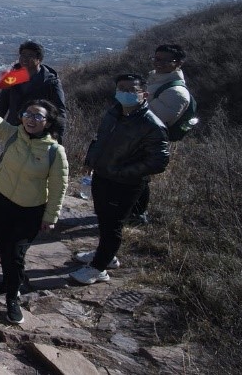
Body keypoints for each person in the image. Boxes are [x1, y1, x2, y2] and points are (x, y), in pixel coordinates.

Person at [0, 87, 68, 325]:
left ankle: (13, 297)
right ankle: (8, 281)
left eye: (38, 116)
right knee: (2, 244)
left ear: (48, 122)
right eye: (28, 114)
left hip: (30, 209)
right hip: (2, 200)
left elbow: (59, 186)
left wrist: (50, 216)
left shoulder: (54, 151)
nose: (31, 119)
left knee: (16, 254)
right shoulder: (13, 135)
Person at [69, 74, 169, 285]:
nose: (125, 93)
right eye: (121, 88)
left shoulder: (151, 124)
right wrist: (90, 160)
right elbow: (99, 139)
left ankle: (98, 268)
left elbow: (159, 161)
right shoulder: (113, 113)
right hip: (103, 176)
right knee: (103, 219)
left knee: (112, 225)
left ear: (144, 94)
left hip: (125, 183)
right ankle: (106, 255)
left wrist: (123, 171)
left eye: (131, 90)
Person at [132, 44, 191, 224]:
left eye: (166, 60)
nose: (159, 63)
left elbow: (154, 120)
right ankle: (127, 211)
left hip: (147, 140)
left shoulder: (177, 92)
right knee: (130, 176)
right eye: (157, 59)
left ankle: (137, 215)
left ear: (178, 63)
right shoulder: (155, 79)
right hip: (135, 137)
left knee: (139, 177)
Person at [0, 40, 67, 141]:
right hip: (14, 132)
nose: (25, 59)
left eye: (30, 56)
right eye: (23, 55)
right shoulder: (12, 78)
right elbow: (2, 105)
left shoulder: (50, 82)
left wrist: (57, 138)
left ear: (39, 59)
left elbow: (60, 112)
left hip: (39, 135)